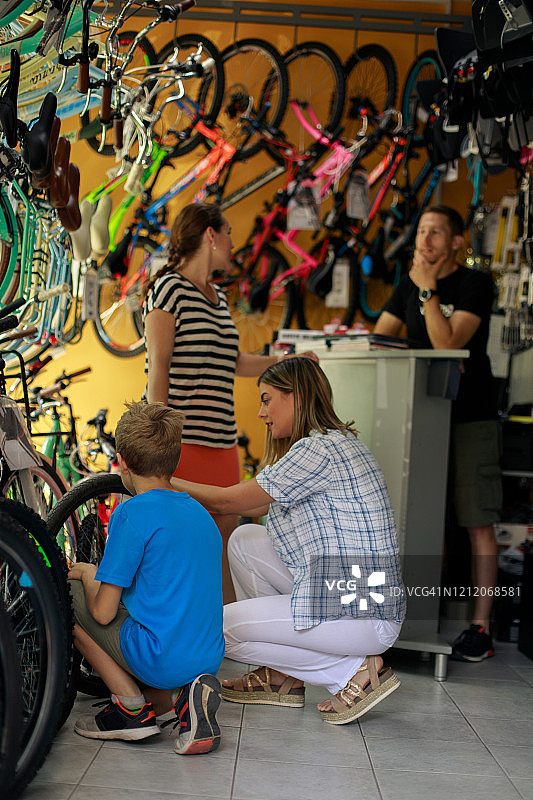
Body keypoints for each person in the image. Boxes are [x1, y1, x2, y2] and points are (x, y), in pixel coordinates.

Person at [171, 357, 405, 724]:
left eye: (267, 399)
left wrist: (157, 479)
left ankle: (353, 672)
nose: (262, 412)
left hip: (360, 609)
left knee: (217, 629)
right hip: (358, 592)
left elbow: (225, 501)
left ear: (295, 396)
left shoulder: (317, 451)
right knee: (245, 541)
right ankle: (282, 677)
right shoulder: (334, 443)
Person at [142, 202, 295, 603]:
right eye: (227, 231)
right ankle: (178, 637)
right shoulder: (169, 289)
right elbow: (157, 366)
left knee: (225, 548)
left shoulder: (219, 297)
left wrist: (283, 362)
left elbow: (234, 360)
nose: (232, 241)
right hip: (183, 442)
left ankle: (225, 638)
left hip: (222, 444)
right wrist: (159, 440)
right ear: (210, 235)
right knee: (179, 544)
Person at [374, 204, 501, 662]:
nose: (424, 240)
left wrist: (427, 292)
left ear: (455, 242)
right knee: (423, 517)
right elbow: (381, 338)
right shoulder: (408, 284)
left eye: (435, 233)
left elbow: (450, 344)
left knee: (476, 520)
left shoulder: (474, 284)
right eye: (421, 230)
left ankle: (480, 627)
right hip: (419, 418)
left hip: (469, 418)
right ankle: (414, 618)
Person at [68, 401, 225, 755]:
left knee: (68, 594)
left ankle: (130, 710)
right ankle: (184, 700)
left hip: (161, 658)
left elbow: (104, 613)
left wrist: (91, 574)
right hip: (207, 658)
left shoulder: (131, 514)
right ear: (174, 460)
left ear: (121, 460)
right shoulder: (201, 514)